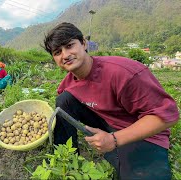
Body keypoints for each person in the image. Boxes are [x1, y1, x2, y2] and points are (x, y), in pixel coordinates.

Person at [43, 22, 179, 179]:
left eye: (69, 46)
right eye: (58, 52)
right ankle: (65, 157)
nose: (65, 55)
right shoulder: (68, 84)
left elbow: (168, 116)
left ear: (84, 43)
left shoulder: (123, 73)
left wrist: (113, 139)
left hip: (141, 133)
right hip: (109, 123)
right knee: (64, 101)